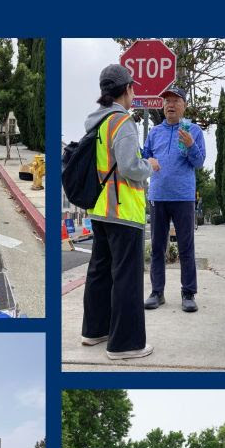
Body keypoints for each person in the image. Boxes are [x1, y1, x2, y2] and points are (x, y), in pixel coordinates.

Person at [79, 64, 159, 360]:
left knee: (99, 271)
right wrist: (149, 165)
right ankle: (126, 344)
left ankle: (94, 331)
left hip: (99, 209)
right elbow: (129, 167)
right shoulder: (122, 122)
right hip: (124, 211)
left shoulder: (95, 122)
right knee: (127, 275)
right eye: (132, 88)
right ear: (126, 90)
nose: (134, 93)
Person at [142, 86, 206, 313]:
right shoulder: (154, 132)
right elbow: (144, 156)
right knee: (157, 247)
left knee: (186, 247)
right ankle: (156, 292)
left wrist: (190, 145)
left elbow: (199, 163)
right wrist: (148, 160)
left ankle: (188, 293)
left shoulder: (193, 130)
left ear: (184, 105)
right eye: (167, 101)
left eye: (175, 100)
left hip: (183, 197)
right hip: (158, 196)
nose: (170, 104)